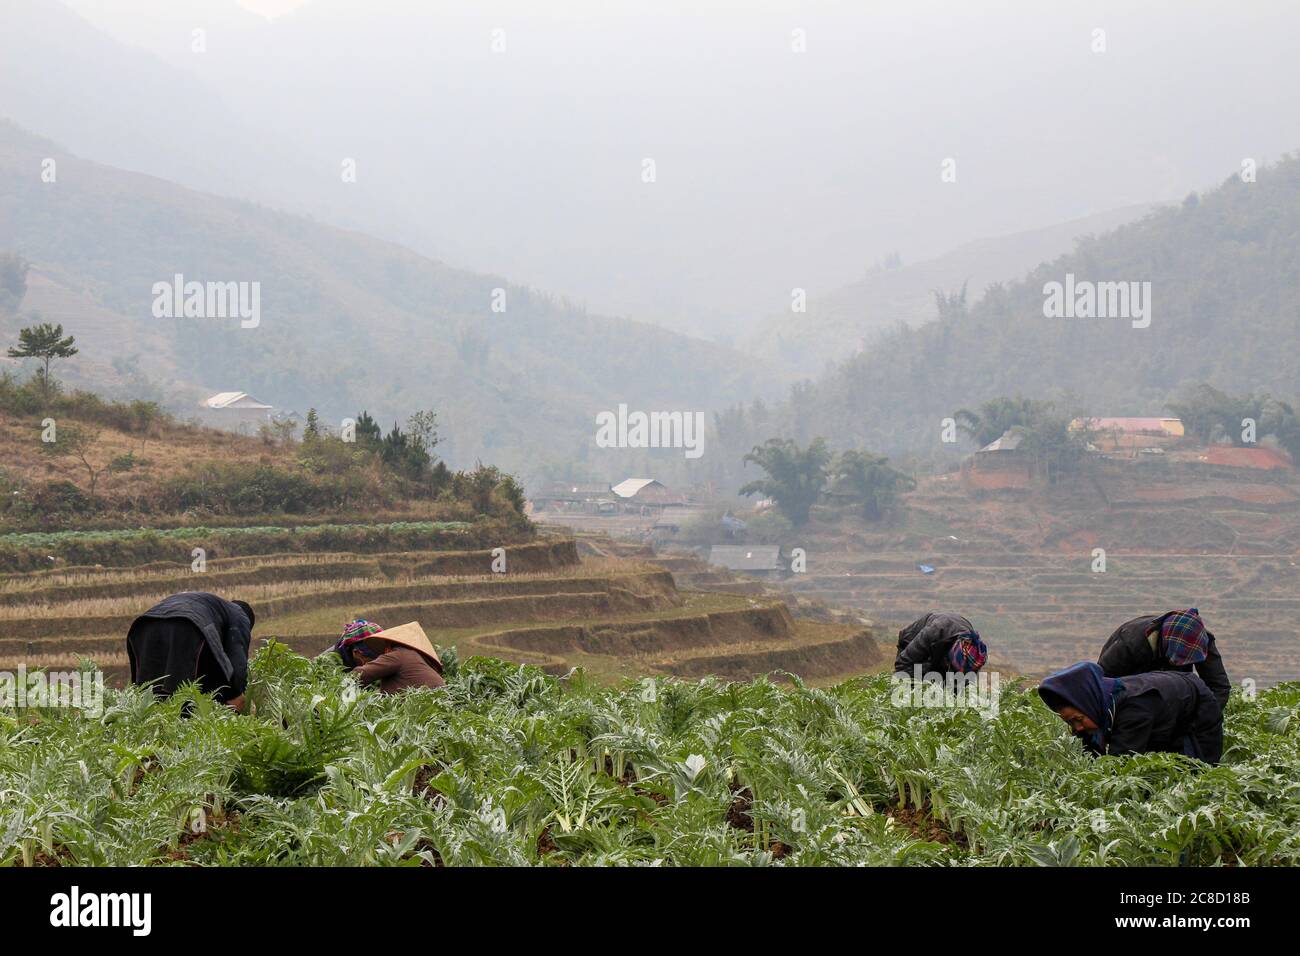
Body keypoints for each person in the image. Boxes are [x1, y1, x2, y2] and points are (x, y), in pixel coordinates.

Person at [1038, 661, 1223, 765]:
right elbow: (1091, 756)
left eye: (1078, 720)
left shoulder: (1133, 709)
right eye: (1070, 723)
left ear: (1089, 705)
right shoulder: (1097, 706)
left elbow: (1122, 765)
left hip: (1196, 705)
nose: (1077, 728)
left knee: (1195, 769)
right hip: (1164, 704)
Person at [126, 592, 255, 711]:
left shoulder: (213, 606)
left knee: (152, 696)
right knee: (216, 693)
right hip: (187, 624)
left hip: (144, 627)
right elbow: (238, 660)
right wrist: (238, 693)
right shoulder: (240, 614)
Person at [1098, 608, 1230, 712]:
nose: (1174, 663)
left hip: (1174, 688)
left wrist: (1204, 717)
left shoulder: (1201, 641)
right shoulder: (1129, 643)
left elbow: (1218, 686)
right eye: (1174, 659)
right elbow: (1103, 684)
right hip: (1130, 681)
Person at [351, 621, 445, 694]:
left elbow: (361, 674)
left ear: (389, 645)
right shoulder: (415, 657)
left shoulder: (398, 655)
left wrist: (340, 682)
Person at [893, 611, 987, 678]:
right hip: (912, 645)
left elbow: (961, 683)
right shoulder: (935, 632)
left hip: (941, 652)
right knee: (916, 678)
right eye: (954, 668)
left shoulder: (975, 657)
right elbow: (903, 664)